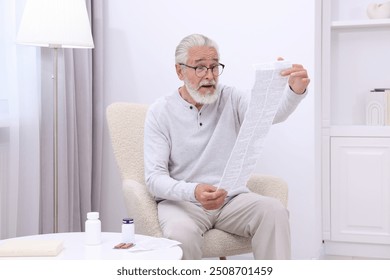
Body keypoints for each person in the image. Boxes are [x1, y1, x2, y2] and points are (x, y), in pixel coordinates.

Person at [144, 34, 310, 259]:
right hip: (183, 202)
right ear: (179, 71)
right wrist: (193, 191)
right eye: (200, 68)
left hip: (230, 199)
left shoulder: (231, 97)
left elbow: (268, 114)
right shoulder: (160, 112)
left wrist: (294, 92)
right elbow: (154, 179)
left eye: (214, 67)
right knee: (181, 234)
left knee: (274, 211)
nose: (210, 76)